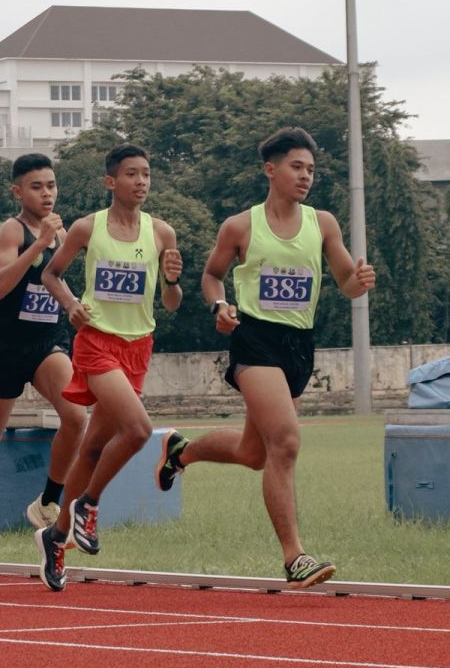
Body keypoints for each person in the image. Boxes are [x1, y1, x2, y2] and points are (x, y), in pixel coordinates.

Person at [154, 127, 376, 589]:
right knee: (287, 441)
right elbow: (212, 276)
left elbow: (345, 283)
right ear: (270, 169)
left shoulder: (324, 224)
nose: (306, 176)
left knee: (254, 453)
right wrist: (219, 306)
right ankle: (295, 557)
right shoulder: (240, 226)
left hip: (299, 346)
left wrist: (359, 280)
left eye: (311, 169)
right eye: (297, 167)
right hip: (255, 341)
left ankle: (181, 452)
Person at [33, 143, 183, 592]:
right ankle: (88, 504)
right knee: (137, 431)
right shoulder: (86, 228)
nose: (141, 182)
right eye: (132, 174)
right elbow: (50, 274)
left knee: (94, 449)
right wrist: (72, 305)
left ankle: (56, 536)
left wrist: (172, 279)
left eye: (147, 174)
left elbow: (171, 304)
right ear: (111, 181)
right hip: (97, 344)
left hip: (138, 346)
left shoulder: (161, 233)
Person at [0, 154, 86, 571]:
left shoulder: (64, 233)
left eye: (52, 185)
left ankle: (47, 503)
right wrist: (39, 244)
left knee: (77, 417)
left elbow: (55, 283)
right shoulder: (14, 230)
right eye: (37, 186)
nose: (47, 193)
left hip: (47, 342)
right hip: (9, 345)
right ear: (17, 192)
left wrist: (76, 306)